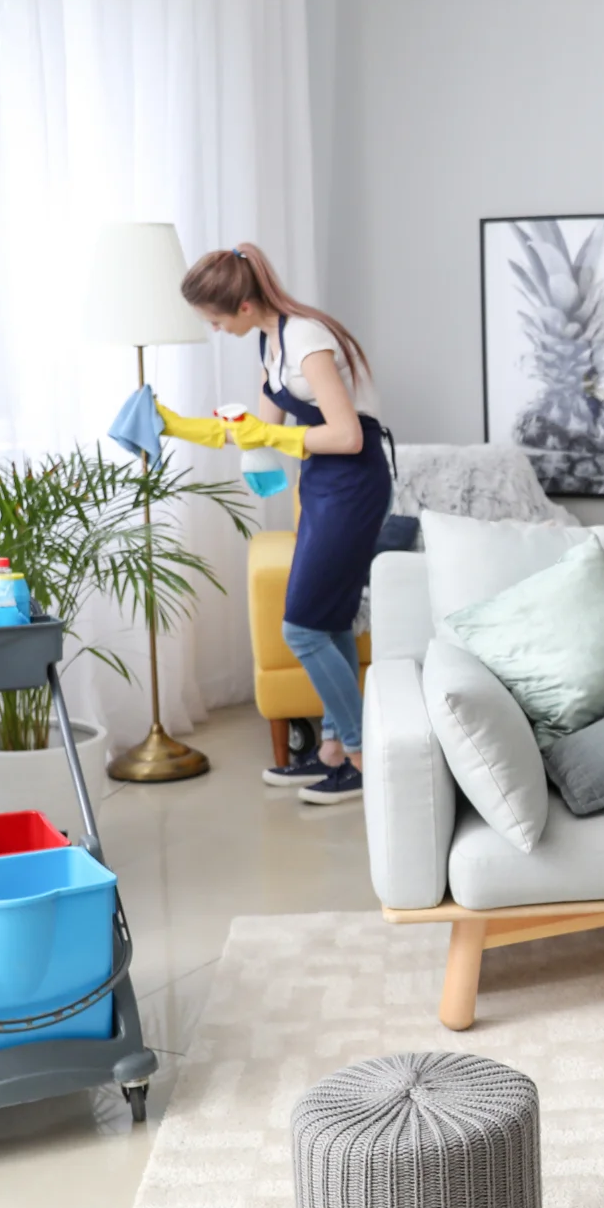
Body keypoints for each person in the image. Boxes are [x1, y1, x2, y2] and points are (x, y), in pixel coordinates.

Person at [179, 244, 392, 805]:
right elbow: (257, 428)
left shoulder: (307, 339)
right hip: (321, 480)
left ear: (244, 305)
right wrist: (173, 425)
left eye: (217, 319)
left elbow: (347, 434)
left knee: (300, 628)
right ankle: (330, 750)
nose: (218, 330)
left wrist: (273, 438)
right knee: (332, 621)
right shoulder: (269, 341)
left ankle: (363, 757)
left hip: (354, 480)